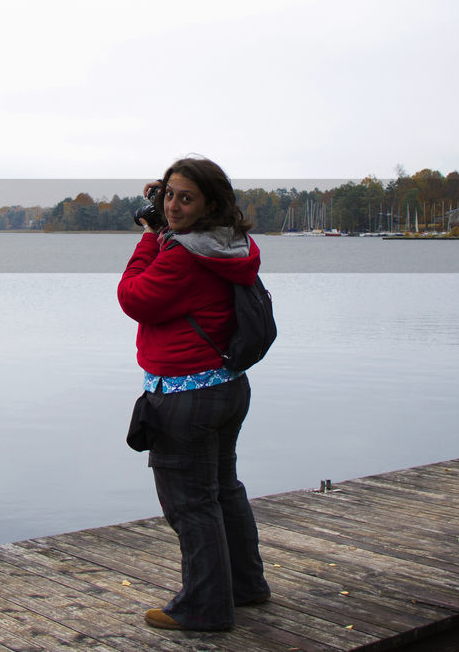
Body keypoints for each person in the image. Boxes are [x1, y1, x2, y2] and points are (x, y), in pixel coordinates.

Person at [116, 157, 271, 632]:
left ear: (210, 203)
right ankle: (244, 586)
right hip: (227, 385)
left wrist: (147, 236)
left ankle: (203, 606)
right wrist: (166, 226)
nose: (174, 206)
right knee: (223, 489)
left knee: (190, 502)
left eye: (186, 197)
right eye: (169, 196)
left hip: (185, 395)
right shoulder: (230, 243)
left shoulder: (182, 256)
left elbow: (133, 297)